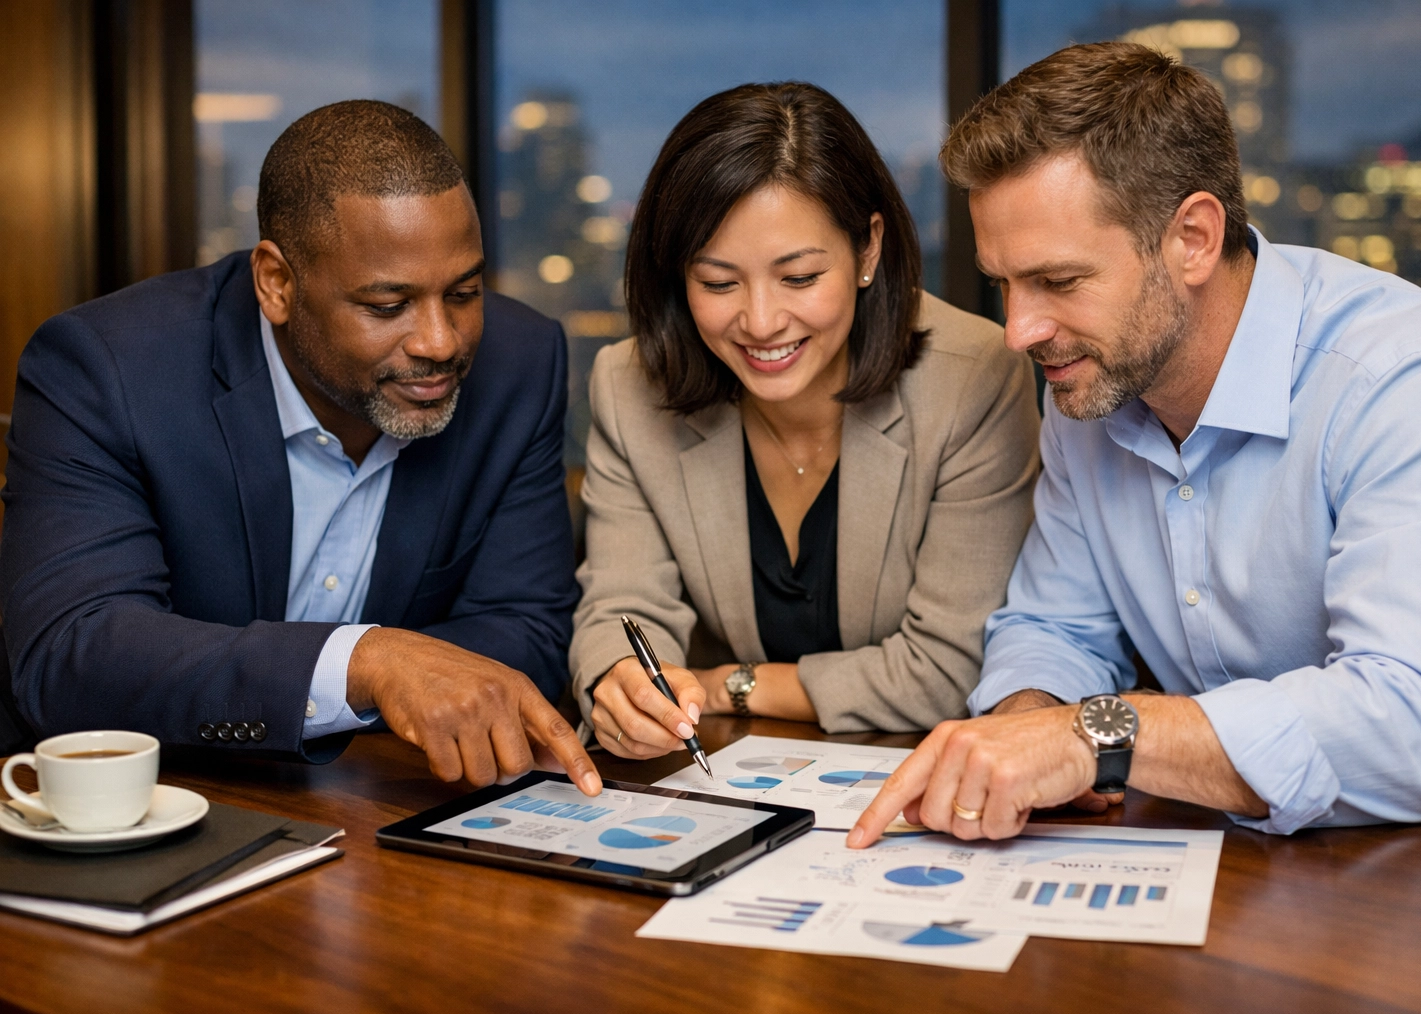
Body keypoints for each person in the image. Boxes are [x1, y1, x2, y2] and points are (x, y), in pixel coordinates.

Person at [850, 42, 1421, 848]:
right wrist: (1027, 728)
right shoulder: (1090, 384)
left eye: (1059, 282)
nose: (1019, 330)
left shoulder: (1409, 382)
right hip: (1237, 868)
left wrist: (1095, 738)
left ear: (1195, 238)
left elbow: (1419, 734)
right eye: (1004, 282)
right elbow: (1054, 630)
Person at [0, 100, 599, 794]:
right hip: (142, 805)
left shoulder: (520, 364)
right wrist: (363, 664)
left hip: (381, 803)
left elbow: (526, 631)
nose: (440, 341)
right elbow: (72, 650)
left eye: (463, 292)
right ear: (277, 283)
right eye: (386, 306)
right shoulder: (108, 368)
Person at [570, 82, 1039, 758]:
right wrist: (622, 684)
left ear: (868, 250)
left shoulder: (972, 379)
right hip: (725, 787)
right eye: (719, 283)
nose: (760, 322)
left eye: (797, 278)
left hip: (910, 778)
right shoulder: (627, 386)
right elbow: (620, 609)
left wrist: (731, 684)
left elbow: (946, 669)